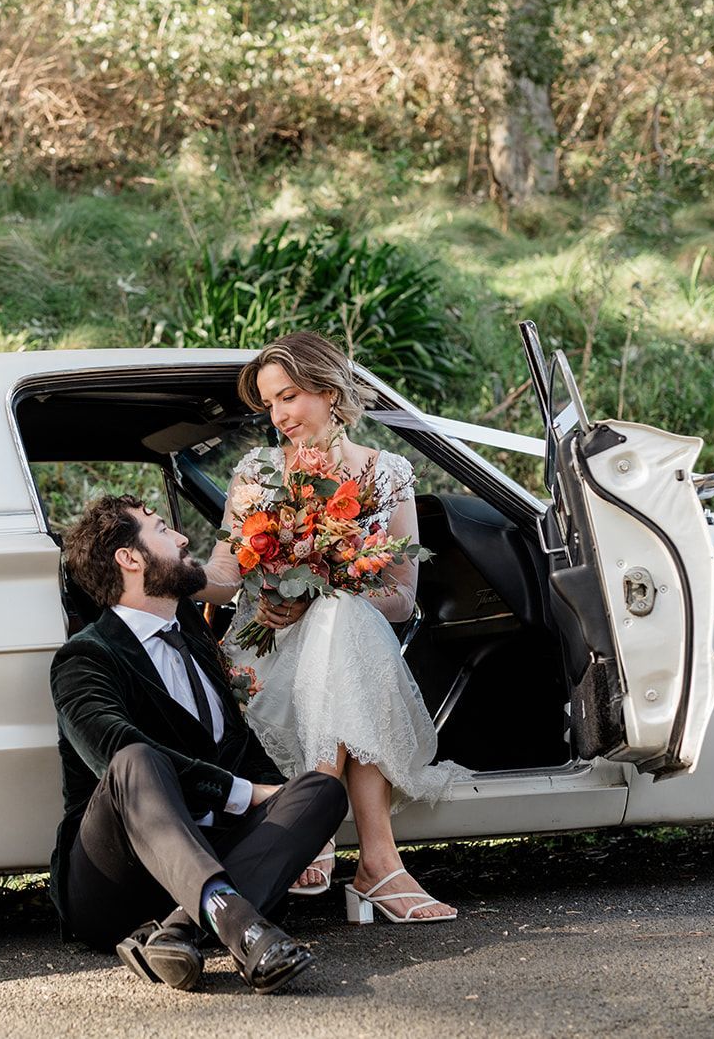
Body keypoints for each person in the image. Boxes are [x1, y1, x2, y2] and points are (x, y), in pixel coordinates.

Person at [197, 331, 466, 925]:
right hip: (265, 649)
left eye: (288, 397)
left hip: (352, 643)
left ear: (328, 391)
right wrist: (164, 575)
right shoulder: (257, 471)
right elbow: (222, 575)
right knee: (349, 647)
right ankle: (378, 864)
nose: (278, 416)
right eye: (269, 403)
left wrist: (326, 586)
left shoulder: (388, 473)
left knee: (344, 620)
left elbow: (400, 600)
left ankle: (314, 825)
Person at [49, 494, 350, 994]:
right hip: (115, 879)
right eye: (163, 530)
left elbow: (240, 748)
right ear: (130, 558)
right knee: (134, 758)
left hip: (209, 854)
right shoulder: (85, 658)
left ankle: (185, 929)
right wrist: (245, 793)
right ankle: (238, 924)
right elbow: (111, 750)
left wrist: (288, 810)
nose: (183, 538)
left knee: (321, 789)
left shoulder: (194, 642)